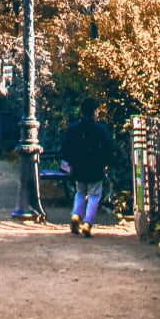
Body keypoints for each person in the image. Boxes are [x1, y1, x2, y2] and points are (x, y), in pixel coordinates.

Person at [60, 97, 114, 237]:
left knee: (80, 192)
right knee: (94, 195)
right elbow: (108, 148)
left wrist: (71, 162)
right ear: (94, 112)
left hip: (78, 166)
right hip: (95, 167)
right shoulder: (100, 129)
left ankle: (76, 215)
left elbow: (65, 148)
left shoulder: (73, 128)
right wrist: (103, 163)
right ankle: (87, 222)